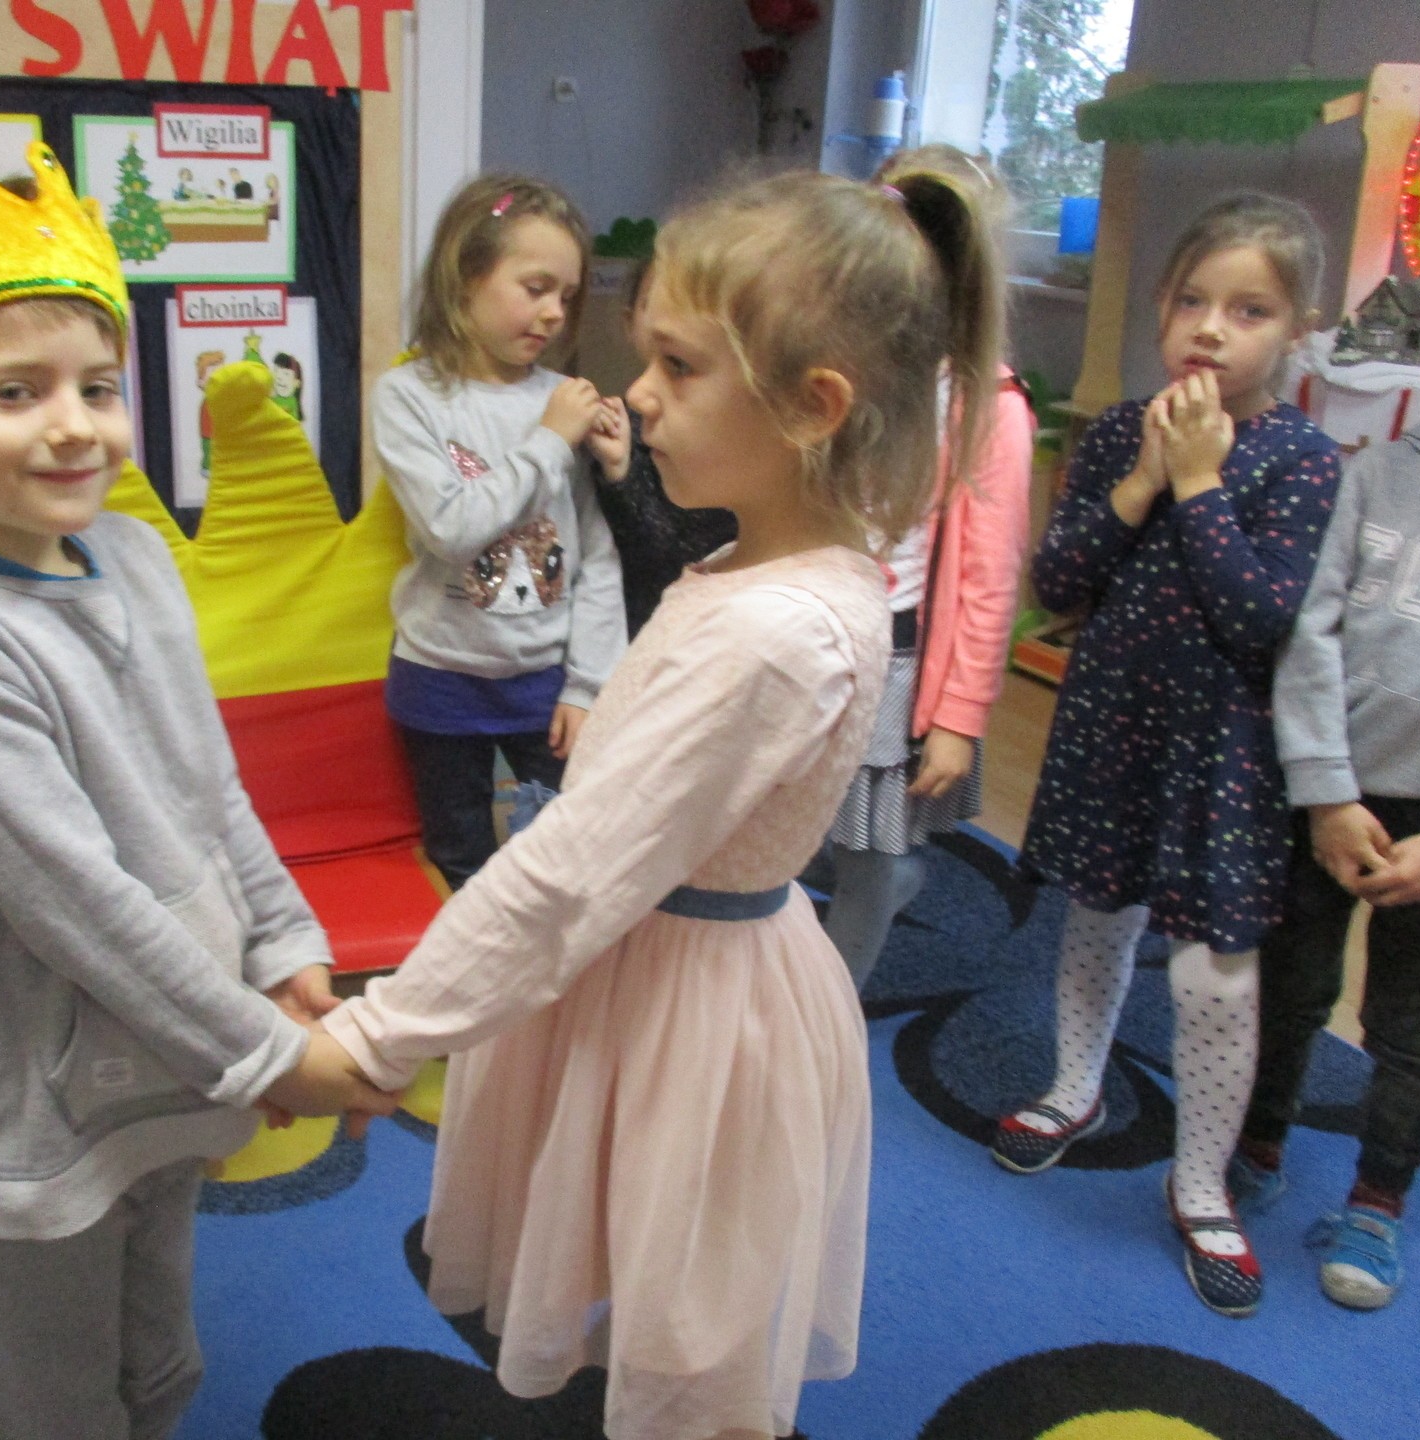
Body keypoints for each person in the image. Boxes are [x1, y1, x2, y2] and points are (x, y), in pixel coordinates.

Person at [324, 168, 1005, 1440]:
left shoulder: (777, 634)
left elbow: (574, 870)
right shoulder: (761, 562)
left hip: (693, 1002)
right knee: (620, 1246)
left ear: (813, 406)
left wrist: (378, 1037)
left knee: (683, 1313)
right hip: (656, 967)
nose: (637, 393)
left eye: (679, 367)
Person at [0, 126, 393, 1440]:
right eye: (14, 393)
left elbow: (209, 786)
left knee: (159, 1370)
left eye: (96, 385)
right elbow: (74, 901)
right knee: (51, 1406)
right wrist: (272, 1054)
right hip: (26, 1125)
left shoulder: (133, 559)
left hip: (164, 1066)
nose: (75, 425)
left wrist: (281, 941)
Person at [990, 193, 1343, 1320]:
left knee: (1214, 970)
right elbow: (1060, 581)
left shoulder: (1302, 460)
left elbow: (1260, 615)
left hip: (1224, 754)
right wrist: (1143, 478)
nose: (1211, 329)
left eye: (1249, 311)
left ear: (1298, 331)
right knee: (1097, 913)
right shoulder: (1114, 433)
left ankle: (1200, 1181)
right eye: (1192, 300)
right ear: (1159, 304)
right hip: (1113, 726)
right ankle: (1075, 1087)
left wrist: (1195, 482)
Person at [1228, 252, 1420, 1311]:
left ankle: (1377, 1200)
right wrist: (1325, 791)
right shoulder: (1369, 477)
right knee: (1290, 986)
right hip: (1333, 795)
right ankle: (1256, 1139)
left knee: (1415, 1026)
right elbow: (1310, 633)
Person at [813, 144, 1033, 990]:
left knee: (866, 860)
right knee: (823, 823)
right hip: (824, 632)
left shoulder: (989, 407)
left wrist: (959, 718)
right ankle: (887, 877)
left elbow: (988, 582)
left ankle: (828, 1007)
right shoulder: (849, 372)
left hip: (900, 664)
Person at [373, 173, 626, 890]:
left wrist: (588, 686)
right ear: (465, 279)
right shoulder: (408, 397)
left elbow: (598, 558)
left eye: (567, 296)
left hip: (548, 685)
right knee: (460, 862)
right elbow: (452, 528)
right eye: (536, 287)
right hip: (440, 679)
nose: (554, 314)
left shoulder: (565, 401)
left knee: (569, 855)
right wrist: (549, 441)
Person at [587, 253, 738, 635]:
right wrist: (619, 473)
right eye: (654, 304)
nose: (639, 394)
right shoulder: (622, 427)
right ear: (630, 321)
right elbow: (631, 556)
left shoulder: (739, 443)